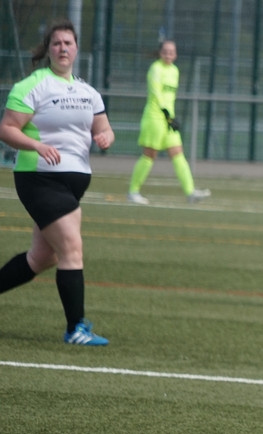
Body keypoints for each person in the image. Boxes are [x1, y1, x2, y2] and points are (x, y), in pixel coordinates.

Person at [0, 19, 115, 346]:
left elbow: (103, 128)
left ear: (76, 49)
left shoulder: (86, 91)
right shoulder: (33, 86)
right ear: (48, 49)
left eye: (68, 43)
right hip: (39, 179)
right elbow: (7, 128)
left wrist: (105, 136)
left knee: (42, 258)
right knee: (71, 250)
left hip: (71, 185)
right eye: (57, 43)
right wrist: (36, 145)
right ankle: (76, 328)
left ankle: (76, 326)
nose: (63, 48)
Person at [127, 40, 210, 205]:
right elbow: (157, 94)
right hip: (155, 117)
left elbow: (170, 97)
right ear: (160, 52)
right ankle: (133, 192)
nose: (168, 54)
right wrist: (167, 115)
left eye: (172, 52)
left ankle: (190, 192)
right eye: (165, 51)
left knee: (178, 153)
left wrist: (171, 117)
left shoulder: (175, 71)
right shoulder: (155, 69)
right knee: (150, 154)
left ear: (176, 54)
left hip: (168, 119)